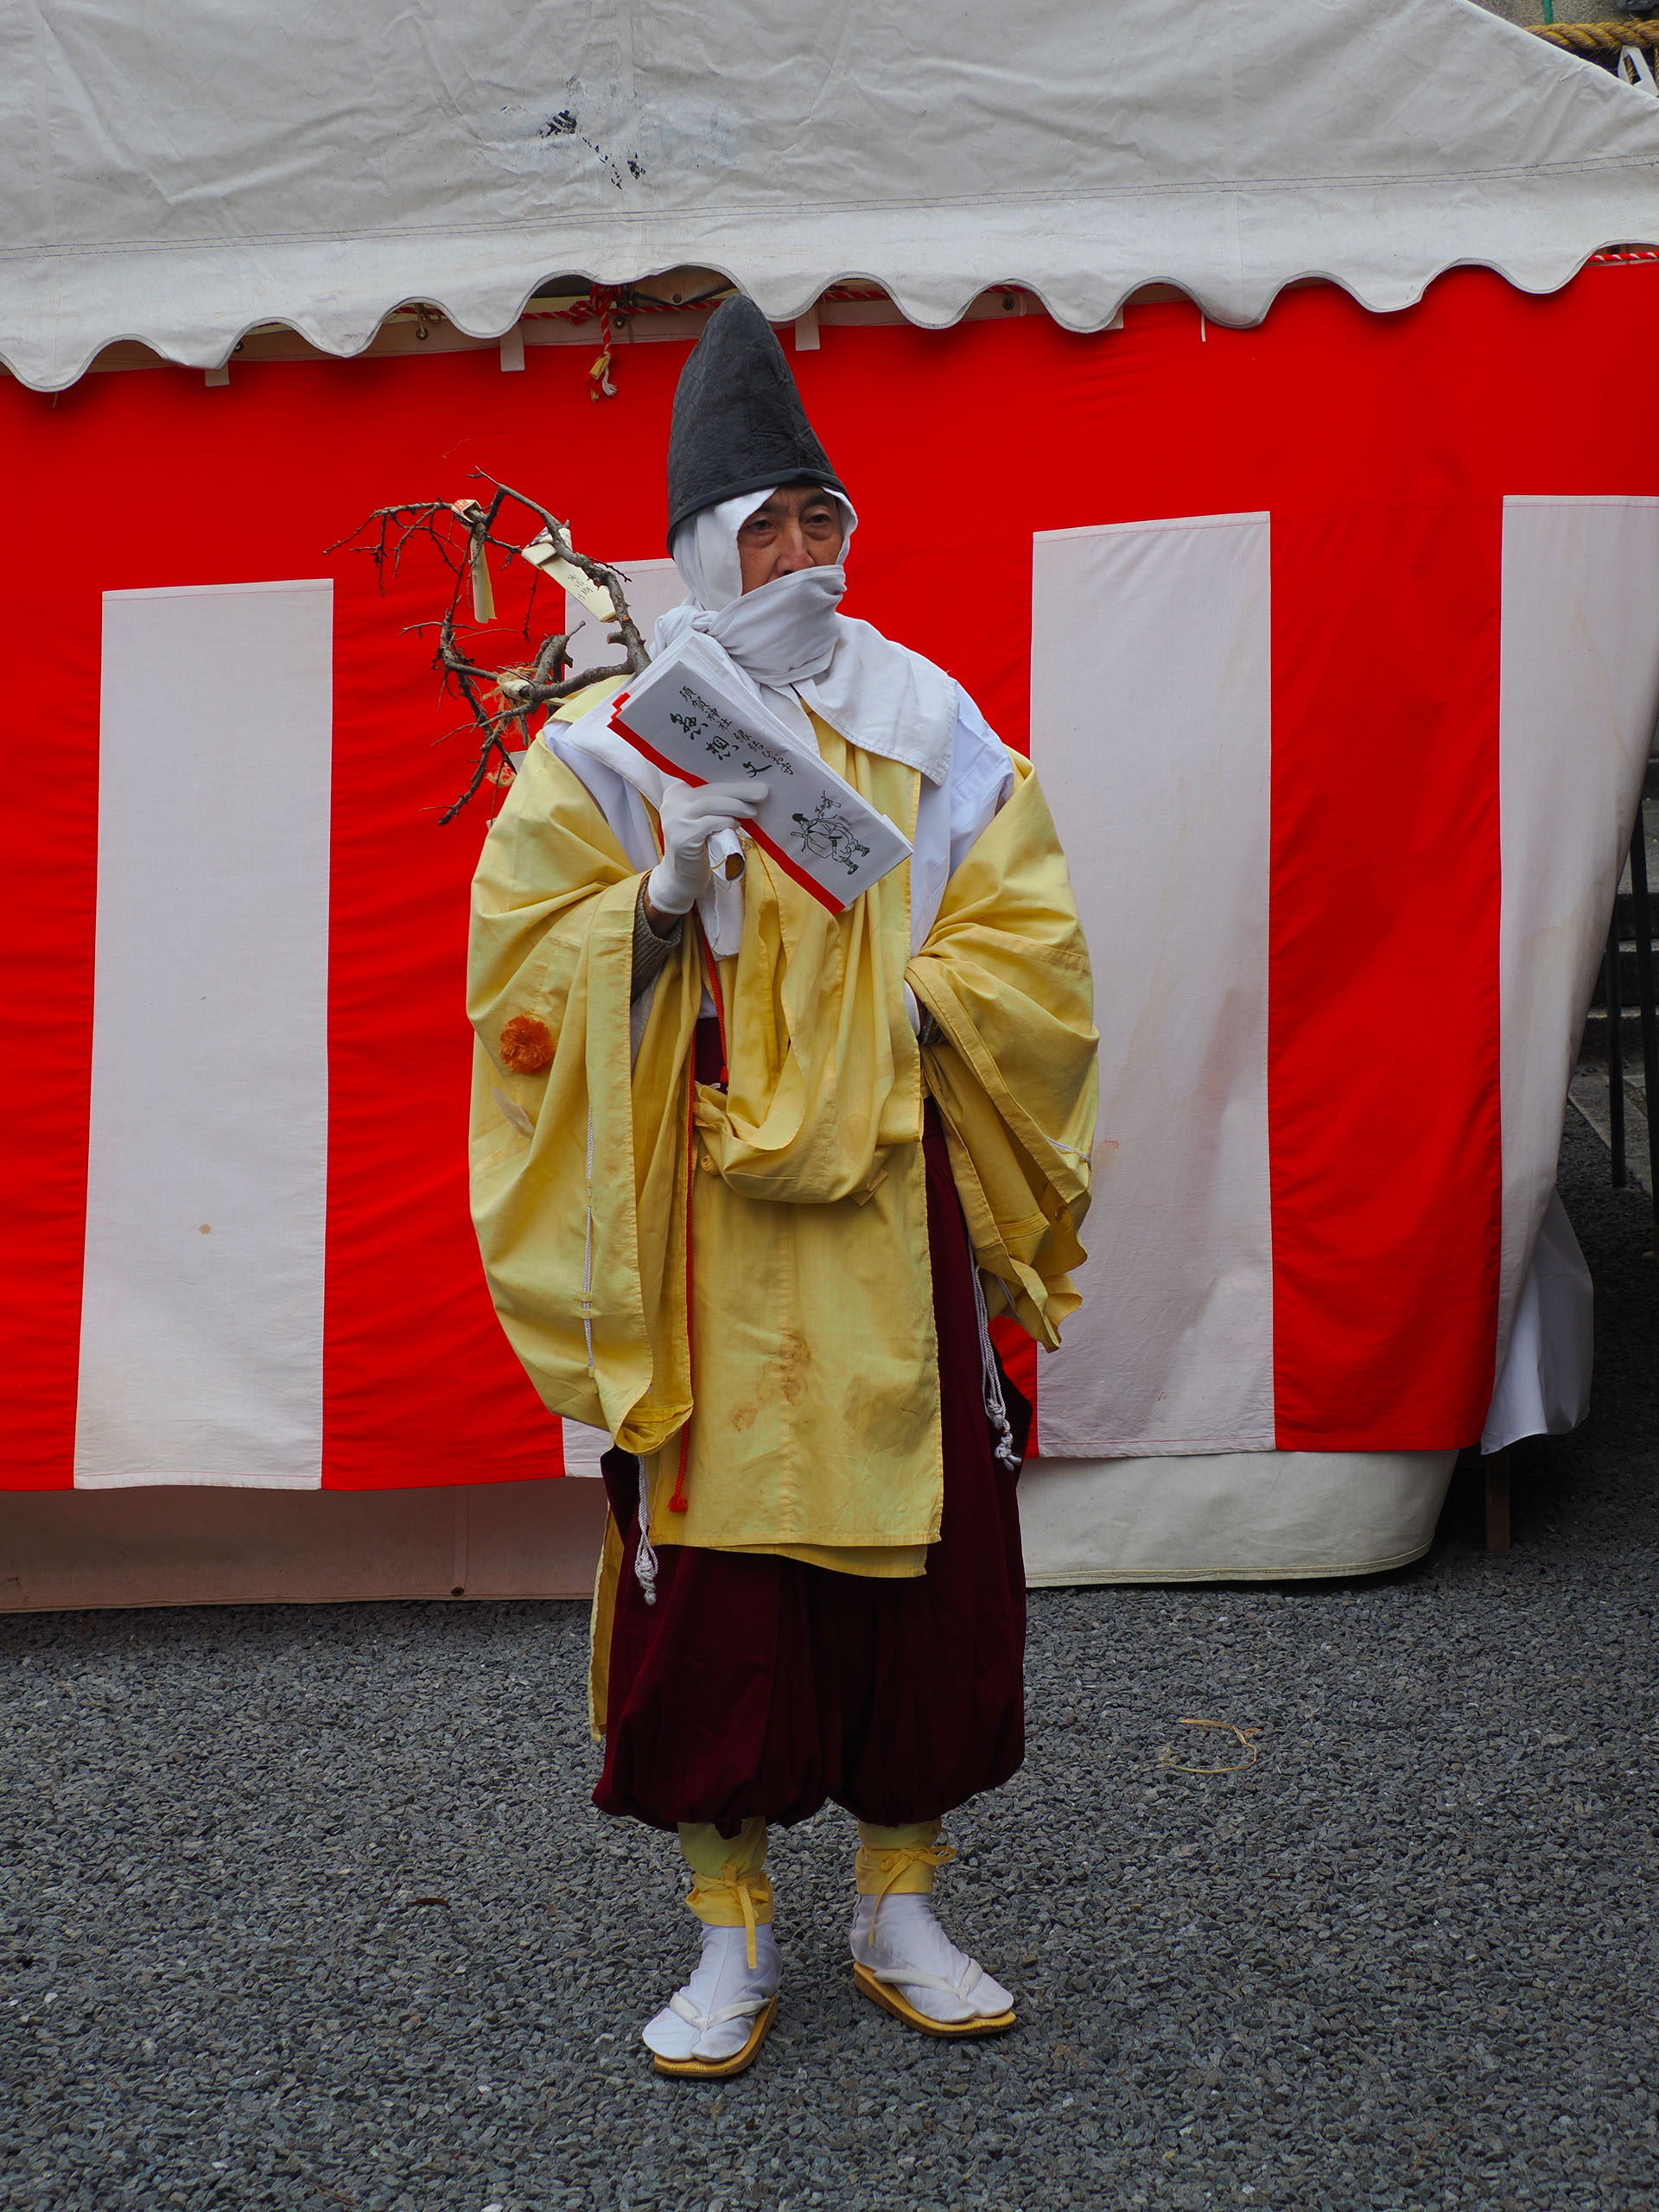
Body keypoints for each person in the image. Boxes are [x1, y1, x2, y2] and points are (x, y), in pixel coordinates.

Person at [468, 296, 1097, 2078]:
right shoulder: (606, 748)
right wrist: (653, 908)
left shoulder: (928, 716)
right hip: (704, 1220)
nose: (805, 551)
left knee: (923, 1571)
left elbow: (1029, 944)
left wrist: (907, 995)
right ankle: (728, 1925)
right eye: (768, 524)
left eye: (824, 518)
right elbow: (518, 986)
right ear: (697, 547)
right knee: (723, 1583)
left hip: (892, 1201)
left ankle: (901, 1898)